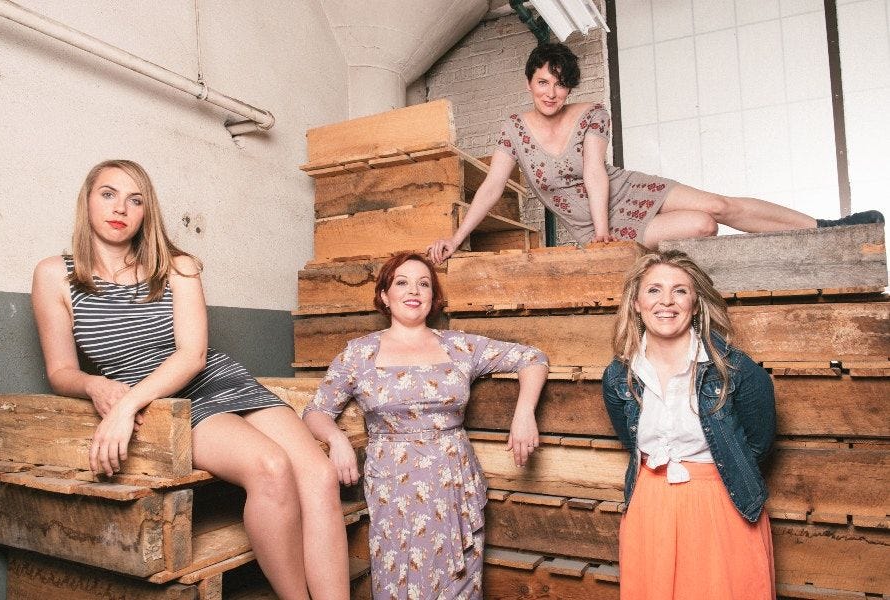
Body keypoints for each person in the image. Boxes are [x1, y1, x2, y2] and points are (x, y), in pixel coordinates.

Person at [31, 159, 349, 600]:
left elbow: (193, 356)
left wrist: (124, 407)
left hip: (212, 379)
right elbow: (60, 371)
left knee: (318, 473)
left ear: (147, 211)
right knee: (271, 467)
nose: (120, 208)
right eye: (108, 194)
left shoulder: (177, 266)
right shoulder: (55, 275)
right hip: (168, 405)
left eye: (135, 200)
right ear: (87, 201)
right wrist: (95, 385)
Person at [427, 43, 883, 262]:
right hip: (592, 225)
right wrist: (457, 236)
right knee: (703, 226)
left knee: (717, 205)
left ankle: (824, 228)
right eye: (543, 82)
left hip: (622, 193)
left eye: (561, 84)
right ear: (529, 82)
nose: (552, 92)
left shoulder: (591, 113)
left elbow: (595, 171)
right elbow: (491, 187)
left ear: (570, 88)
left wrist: (604, 230)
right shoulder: (513, 128)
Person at [302, 252, 549, 600]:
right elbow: (316, 411)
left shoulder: (459, 346)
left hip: (453, 479)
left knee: (458, 581)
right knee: (398, 576)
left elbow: (533, 357)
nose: (413, 291)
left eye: (424, 284)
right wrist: (336, 439)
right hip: (392, 483)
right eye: (401, 282)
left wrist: (524, 414)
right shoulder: (359, 353)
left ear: (433, 296)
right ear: (385, 295)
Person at [602, 250, 776, 599]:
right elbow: (630, 440)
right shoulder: (618, 375)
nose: (666, 301)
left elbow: (758, 445)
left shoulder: (736, 369)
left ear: (695, 304)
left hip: (722, 506)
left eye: (679, 290)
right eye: (654, 290)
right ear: (636, 303)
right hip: (650, 508)